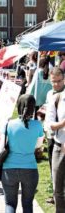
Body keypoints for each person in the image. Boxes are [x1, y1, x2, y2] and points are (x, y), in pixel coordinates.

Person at [0, 94, 44, 213]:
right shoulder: (38, 125)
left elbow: (0, 149)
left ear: (18, 106)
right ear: (33, 108)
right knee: (28, 205)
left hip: (9, 170)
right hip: (30, 169)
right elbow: (38, 145)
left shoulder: (8, 124)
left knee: (10, 204)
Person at [44, 67, 65, 205]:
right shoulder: (51, 94)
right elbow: (50, 122)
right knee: (55, 172)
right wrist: (62, 124)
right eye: (53, 82)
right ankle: (55, 196)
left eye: (59, 81)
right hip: (55, 139)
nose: (56, 84)